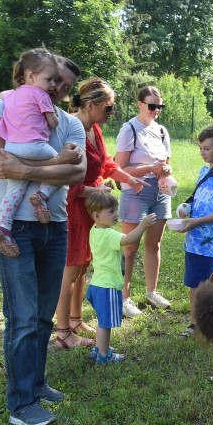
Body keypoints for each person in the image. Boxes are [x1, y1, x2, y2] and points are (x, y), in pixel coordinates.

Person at [0, 52, 86, 425]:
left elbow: (79, 173)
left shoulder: (70, 123)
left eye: (66, 87)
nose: (58, 89)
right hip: (12, 226)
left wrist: (22, 168)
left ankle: (36, 384)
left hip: (54, 227)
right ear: (36, 75)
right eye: (55, 81)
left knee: (41, 316)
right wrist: (55, 165)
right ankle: (21, 404)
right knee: (22, 317)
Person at [54, 78, 146, 349]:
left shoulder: (94, 128)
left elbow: (105, 163)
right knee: (69, 272)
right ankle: (63, 334)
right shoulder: (71, 129)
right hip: (73, 209)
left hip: (90, 210)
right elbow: (66, 182)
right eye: (108, 108)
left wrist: (128, 178)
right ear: (90, 104)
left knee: (83, 267)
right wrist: (95, 190)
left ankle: (76, 320)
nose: (111, 113)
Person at [0, 49, 62, 257]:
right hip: (36, 146)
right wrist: (53, 113)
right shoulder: (41, 94)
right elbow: (53, 122)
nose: (53, 86)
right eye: (49, 80)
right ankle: (42, 194)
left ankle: (3, 226)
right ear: (31, 76)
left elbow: (1, 96)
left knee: (14, 192)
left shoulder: (11, 94)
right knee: (61, 169)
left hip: (11, 148)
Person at [113, 85, 172, 316]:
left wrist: (165, 171)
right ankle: (124, 298)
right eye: (152, 105)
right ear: (139, 104)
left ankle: (151, 292)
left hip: (160, 192)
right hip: (135, 192)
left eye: (160, 106)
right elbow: (119, 169)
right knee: (129, 247)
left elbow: (166, 162)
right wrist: (150, 168)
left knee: (154, 244)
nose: (156, 110)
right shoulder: (129, 129)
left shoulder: (161, 131)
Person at [175, 125, 213, 337]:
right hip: (194, 240)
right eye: (201, 148)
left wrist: (197, 221)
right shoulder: (204, 171)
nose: (203, 152)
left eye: (207, 148)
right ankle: (194, 324)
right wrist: (187, 210)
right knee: (194, 283)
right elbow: (200, 200)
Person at [85, 192, 156, 364]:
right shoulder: (109, 235)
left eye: (116, 209)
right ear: (97, 216)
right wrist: (144, 225)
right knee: (105, 324)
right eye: (111, 211)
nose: (116, 214)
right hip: (107, 287)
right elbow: (129, 239)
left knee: (102, 320)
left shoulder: (94, 230)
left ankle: (99, 348)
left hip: (96, 285)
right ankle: (103, 356)